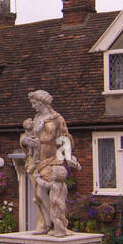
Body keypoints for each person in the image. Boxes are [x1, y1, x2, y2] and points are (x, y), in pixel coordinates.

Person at [22, 90, 81, 236]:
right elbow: (26, 136)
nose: (33, 106)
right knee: (38, 195)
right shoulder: (35, 118)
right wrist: (25, 140)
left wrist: (68, 157)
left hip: (52, 158)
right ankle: (45, 223)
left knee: (53, 191)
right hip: (36, 159)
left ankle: (57, 223)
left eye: (35, 103)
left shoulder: (57, 119)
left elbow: (64, 137)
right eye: (32, 103)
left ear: (42, 103)